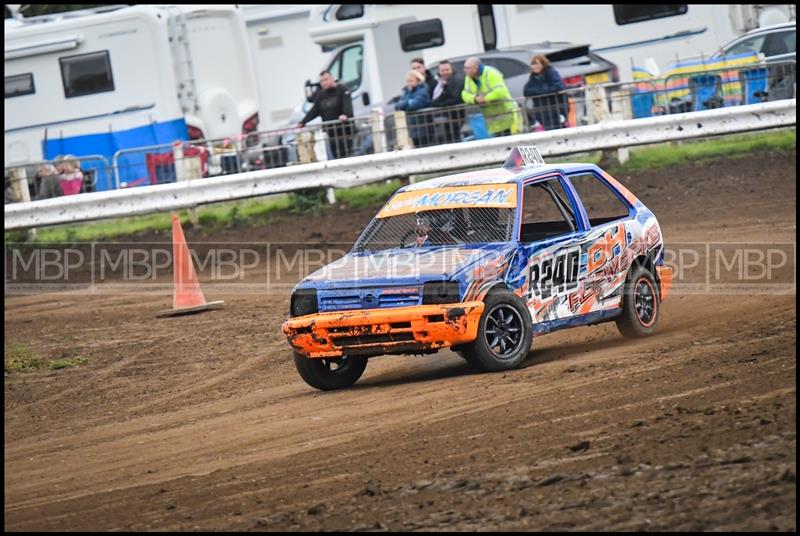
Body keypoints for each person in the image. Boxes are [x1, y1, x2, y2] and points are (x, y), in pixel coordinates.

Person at [297, 70, 355, 160]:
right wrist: (303, 122)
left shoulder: (343, 90)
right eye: (321, 81)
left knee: (347, 157)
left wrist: (346, 115)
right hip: (330, 134)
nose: (324, 83)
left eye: (326, 80)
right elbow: (314, 110)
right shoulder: (321, 95)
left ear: (332, 78)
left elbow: (348, 106)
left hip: (344, 133)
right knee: (335, 158)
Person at [461, 57, 523, 137]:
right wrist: (475, 99)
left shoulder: (491, 73)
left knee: (513, 143)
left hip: (507, 115)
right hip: (493, 121)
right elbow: (464, 94)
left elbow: (500, 91)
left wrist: (485, 99)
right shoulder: (469, 78)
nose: (465, 70)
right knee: (500, 146)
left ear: (475, 68)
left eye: (467, 68)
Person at [523, 54, 567, 131]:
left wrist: (539, 91)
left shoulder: (551, 72)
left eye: (537, 64)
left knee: (557, 130)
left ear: (543, 64)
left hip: (554, 109)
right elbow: (526, 91)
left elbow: (558, 87)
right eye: (533, 64)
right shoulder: (533, 76)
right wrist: (542, 91)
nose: (535, 66)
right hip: (541, 111)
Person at [395, 70, 433, 147]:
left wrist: (405, 104)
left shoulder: (423, 91)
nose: (409, 83)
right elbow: (397, 106)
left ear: (418, 80)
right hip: (414, 129)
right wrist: (407, 102)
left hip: (424, 128)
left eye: (411, 81)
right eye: (407, 81)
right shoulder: (407, 92)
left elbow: (413, 105)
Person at [431, 60, 465, 144]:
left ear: (452, 69)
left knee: (454, 138)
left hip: (455, 116)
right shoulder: (440, 83)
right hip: (445, 117)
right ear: (439, 71)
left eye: (447, 70)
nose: (445, 72)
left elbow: (455, 99)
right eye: (442, 70)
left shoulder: (457, 81)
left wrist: (439, 104)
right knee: (448, 138)